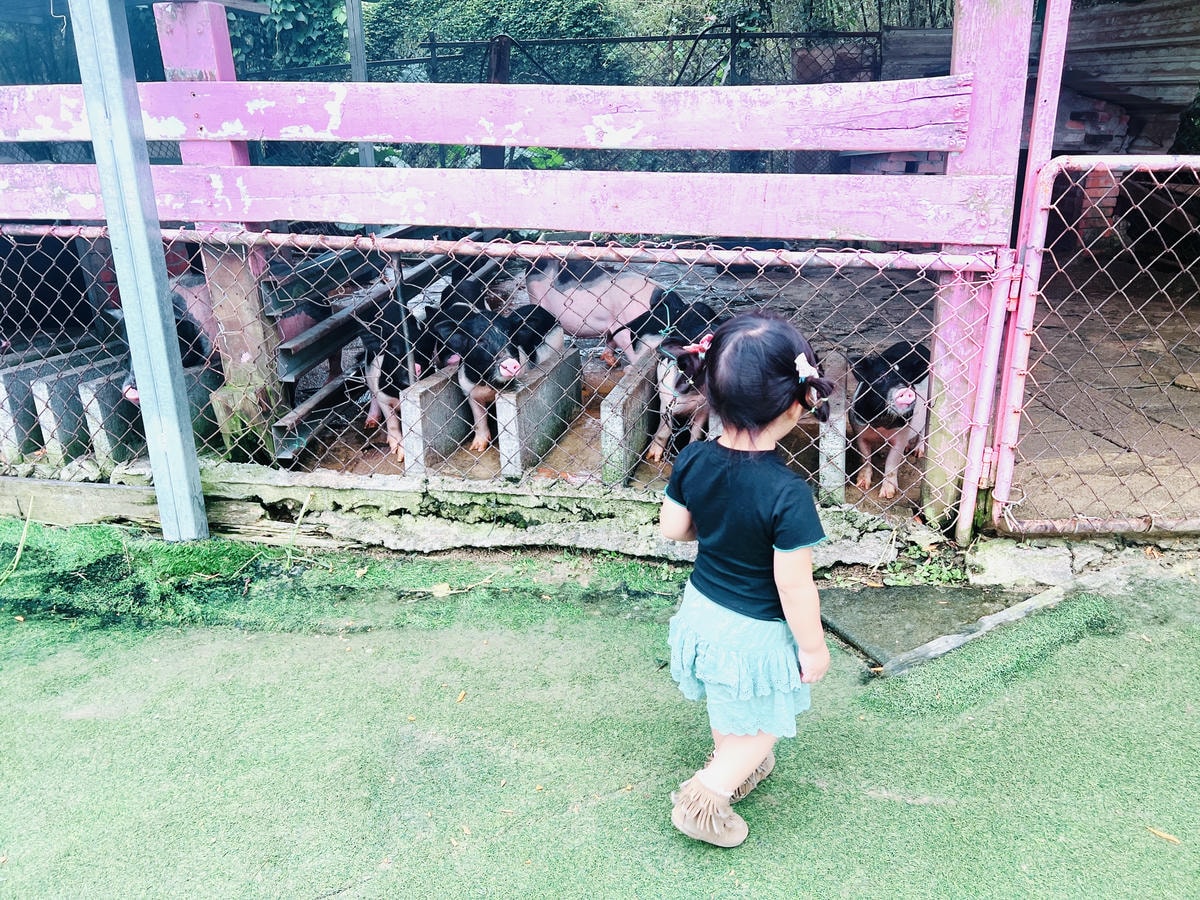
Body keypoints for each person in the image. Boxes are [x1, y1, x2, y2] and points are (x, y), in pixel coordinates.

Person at [659, 310, 835, 848]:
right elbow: (794, 586)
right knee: (764, 725)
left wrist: (719, 524)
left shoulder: (693, 458)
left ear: (711, 393)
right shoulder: (788, 493)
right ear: (796, 402)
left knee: (732, 705)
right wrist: (813, 649)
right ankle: (705, 796)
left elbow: (674, 529)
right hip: (754, 631)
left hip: (702, 609)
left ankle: (733, 764)